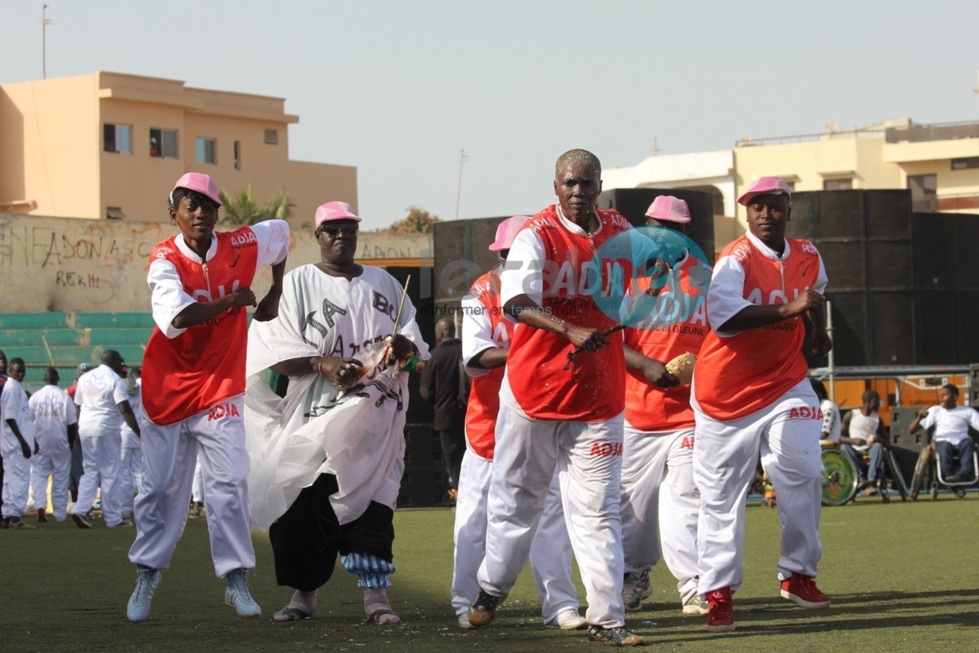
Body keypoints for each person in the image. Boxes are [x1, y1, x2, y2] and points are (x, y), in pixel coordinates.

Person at [468, 149, 643, 647]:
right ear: (555, 187)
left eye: (587, 183)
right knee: (517, 505)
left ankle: (607, 620)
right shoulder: (536, 235)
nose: (578, 192)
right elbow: (516, 301)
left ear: (600, 186)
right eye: (570, 183)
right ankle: (490, 590)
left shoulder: (618, 229)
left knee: (597, 512)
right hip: (533, 395)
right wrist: (568, 327)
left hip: (599, 398)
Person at [245, 200, 429, 624]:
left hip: (375, 415)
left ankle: (376, 600)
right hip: (313, 416)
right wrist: (322, 364)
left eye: (349, 228)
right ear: (318, 236)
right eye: (332, 229)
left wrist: (405, 350)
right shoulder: (296, 284)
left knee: (373, 507)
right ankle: (302, 596)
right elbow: (271, 350)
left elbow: (416, 350)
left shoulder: (384, 284)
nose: (341, 235)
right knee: (304, 506)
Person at [126, 172, 290, 623]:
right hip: (168, 388)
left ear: (218, 213)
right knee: (160, 488)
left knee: (231, 482)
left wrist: (275, 289)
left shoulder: (242, 244)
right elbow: (176, 318)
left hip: (220, 385)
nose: (199, 212)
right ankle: (147, 572)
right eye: (189, 204)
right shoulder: (163, 259)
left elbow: (283, 234)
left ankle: (236, 580)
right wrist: (236, 301)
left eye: (208, 205)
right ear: (173, 212)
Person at [692, 176, 832, 632]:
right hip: (725, 394)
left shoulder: (808, 253)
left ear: (788, 209)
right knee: (720, 498)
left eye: (773, 206)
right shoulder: (735, 259)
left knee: (805, 471)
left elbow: (816, 297)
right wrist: (791, 310)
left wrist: (817, 330)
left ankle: (797, 574)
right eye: (756, 207)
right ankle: (717, 592)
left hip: (787, 383)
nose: (765, 214)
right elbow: (725, 316)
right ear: (746, 214)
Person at [453, 215, 586, 631]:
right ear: (500, 256)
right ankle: (464, 598)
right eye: (509, 255)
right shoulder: (481, 293)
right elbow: (475, 356)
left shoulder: (557, 291)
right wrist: (530, 356)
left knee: (550, 518)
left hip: (541, 419)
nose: (517, 262)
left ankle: (560, 605)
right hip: (489, 426)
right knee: (477, 517)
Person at [620, 195, 711, 617]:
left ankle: (693, 583)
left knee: (685, 497)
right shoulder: (625, 280)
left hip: (689, 413)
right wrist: (647, 366)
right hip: (636, 413)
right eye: (656, 225)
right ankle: (634, 574)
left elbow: (722, 340)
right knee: (634, 510)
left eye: (673, 228)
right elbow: (608, 341)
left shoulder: (706, 280)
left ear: (687, 235)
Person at [71, 350, 140, 530]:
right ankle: (113, 518)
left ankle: (80, 508)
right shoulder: (115, 380)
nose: (121, 366)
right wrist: (138, 432)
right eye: (120, 362)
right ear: (113, 361)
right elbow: (124, 409)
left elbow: (78, 405)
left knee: (90, 471)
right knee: (110, 473)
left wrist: (80, 428)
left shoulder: (85, 378)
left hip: (85, 428)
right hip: (106, 428)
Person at [420, 317, 466, 502]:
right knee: (473, 461)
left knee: (454, 463)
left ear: (440, 334)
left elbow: (425, 391)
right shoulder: (467, 351)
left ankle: (463, 500)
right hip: (471, 415)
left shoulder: (434, 356)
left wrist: (438, 402)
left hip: (445, 417)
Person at [28, 367, 78, 523]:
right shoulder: (64, 397)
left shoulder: (36, 397)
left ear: (45, 379)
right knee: (61, 479)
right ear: (58, 379)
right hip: (60, 443)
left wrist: (32, 441)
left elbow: (27, 420)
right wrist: (70, 443)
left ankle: (41, 505)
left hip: (40, 443)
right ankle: (60, 514)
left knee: (39, 476)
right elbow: (71, 424)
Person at [909, 384, 979, 484]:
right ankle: (948, 476)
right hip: (943, 441)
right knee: (945, 445)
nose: (941, 398)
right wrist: (919, 417)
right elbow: (911, 430)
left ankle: (964, 474)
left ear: (954, 397)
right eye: (940, 395)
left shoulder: (967, 411)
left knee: (968, 443)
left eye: (944, 395)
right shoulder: (934, 411)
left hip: (962, 441)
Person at [1, 358, 35, 529]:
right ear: (10, 370)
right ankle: (14, 517)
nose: (20, 373)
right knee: (19, 481)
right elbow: (10, 418)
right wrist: (23, 442)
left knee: (10, 481)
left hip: (15, 446)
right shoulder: (12, 387)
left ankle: (7, 516)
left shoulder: (16, 387)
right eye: (17, 370)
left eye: (22, 370)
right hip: (15, 446)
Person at [840, 390, 888, 494]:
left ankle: (871, 481)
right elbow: (838, 436)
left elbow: (887, 442)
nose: (879, 404)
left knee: (878, 446)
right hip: (854, 450)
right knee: (844, 447)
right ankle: (860, 478)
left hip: (869, 451)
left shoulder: (877, 419)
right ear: (868, 401)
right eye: (876, 401)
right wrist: (852, 440)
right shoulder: (851, 415)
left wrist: (879, 439)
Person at [118, 367, 143, 521]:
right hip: (138, 433)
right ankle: (144, 508)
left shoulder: (120, 389)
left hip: (123, 434)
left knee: (123, 474)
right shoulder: (143, 390)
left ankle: (126, 509)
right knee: (139, 473)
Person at [66, 362, 93, 503]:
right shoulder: (93, 387)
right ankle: (84, 504)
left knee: (78, 468)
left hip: (78, 431)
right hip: (89, 431)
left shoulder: (69, 390)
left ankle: (80, 503)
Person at [811, 380, 841, 446]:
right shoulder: (814, 407)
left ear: (819, 393)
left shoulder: (828, 407)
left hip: (828, 447)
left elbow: (824, 434)